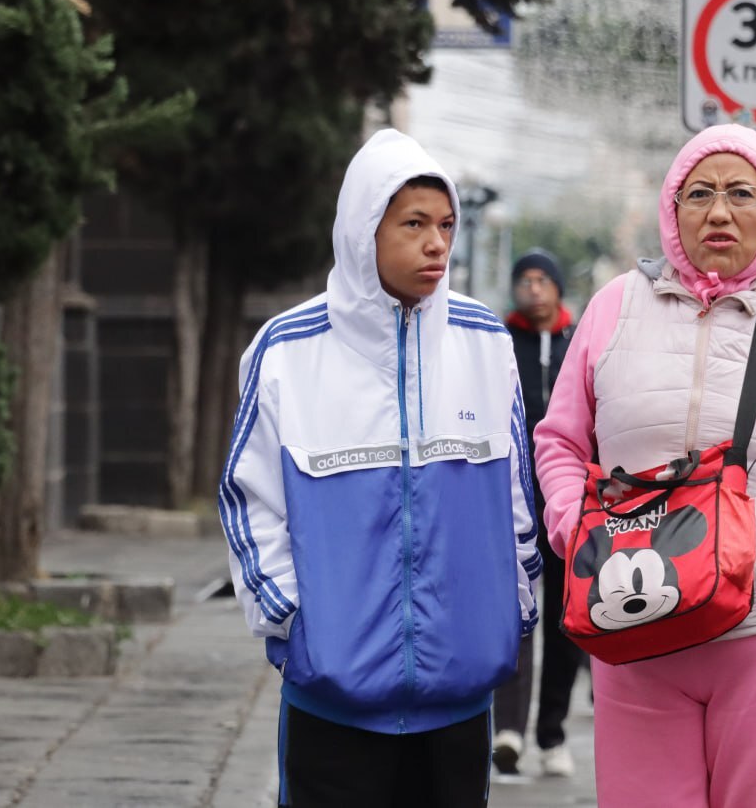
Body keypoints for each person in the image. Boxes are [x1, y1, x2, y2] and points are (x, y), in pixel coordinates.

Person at [532, 123, 756, 808]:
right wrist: (571, 525)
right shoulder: (614, 308)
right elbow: (558, 440)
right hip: (634, 619)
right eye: (698, 193)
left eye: (741, 193)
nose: (719, 212)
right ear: (671, 211)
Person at [218, 128, 542, 808]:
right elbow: (249, 499)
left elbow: (517, 497)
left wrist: (509, 610)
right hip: (333, 701)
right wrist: (292, 621)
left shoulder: (485, 343)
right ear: (364, 228)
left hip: (459, 702)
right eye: (414, 223)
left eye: (447, 225)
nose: (436, 243)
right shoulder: (286, 351)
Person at [491, 249, 585, 779]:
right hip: (514, 504)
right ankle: (508, 729)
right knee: (513, 614)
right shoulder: (499, 342)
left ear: (557, 287)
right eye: (523, 280)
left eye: (541, 279)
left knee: (566, 624)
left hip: (570, 506)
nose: (532, 289)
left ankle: (553, 734)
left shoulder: (578, 342)